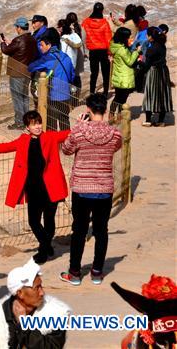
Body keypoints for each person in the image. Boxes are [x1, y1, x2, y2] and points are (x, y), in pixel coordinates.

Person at [0, 110, 69, 264]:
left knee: (49, 220)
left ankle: (43, 252)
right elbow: (6, 147)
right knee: (34, 221)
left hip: (51, 187)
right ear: (27, 127)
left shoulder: (49, 136)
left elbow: (68, 134)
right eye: (34, 124)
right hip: (33, 188)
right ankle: (47, 245)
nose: (38, 127)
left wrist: (84, 125)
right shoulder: (23, 140)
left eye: (39, 123)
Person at [60, 93, 123, 286]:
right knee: (101, 230)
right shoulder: (115, 134)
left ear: (88, 109)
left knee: (79, 231)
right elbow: (115, 148)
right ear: (105, 110)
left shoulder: (79, 132)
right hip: (104, 187)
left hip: (82, 187)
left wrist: (79, 127)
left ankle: (75, 272)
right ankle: (97, 272)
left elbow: (66, 149)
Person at [0, 259, 69, 349]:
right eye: (37, 288)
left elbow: (53, 346)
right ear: (20, 293)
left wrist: (24, 325)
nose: (42, 292)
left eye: (41, 286)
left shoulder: (55, 313)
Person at [28, 31, 75, 130]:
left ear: (49, 45)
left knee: (51, 123)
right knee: (64, 121)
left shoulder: (47, 58)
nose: (40, 48)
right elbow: (72, 76)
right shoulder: (66, 57)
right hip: (66, 95)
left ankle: (53, 144)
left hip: (52, 96)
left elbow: (31, 67)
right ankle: (65, 143)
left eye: (42, 45)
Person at [0, 16, 38, 130]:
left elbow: (6, 50)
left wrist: (2, 43)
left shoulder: (19, 40)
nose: (16, 29)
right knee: (24, 97)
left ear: (19, 28)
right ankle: (26, 121)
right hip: (28, 72)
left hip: (17, 72)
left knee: (17, 98)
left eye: (16, 27)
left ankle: (19, 123)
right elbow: (20, 49)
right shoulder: (32, 39)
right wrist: (10, 43)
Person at [140, 27, 173, 127]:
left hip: (153, 71)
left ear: (151, 37)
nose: (146, 36)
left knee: (150, 94)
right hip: (163, 71)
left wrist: (139, 63)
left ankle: (148, 120)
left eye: (147, 35)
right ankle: (161, 121)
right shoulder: (162, 46)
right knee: (162, 95)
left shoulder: (151, 49)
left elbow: (147, 65)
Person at [83, 2, 114, 97]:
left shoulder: (86, 21)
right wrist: (110, 52)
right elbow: (109, 39)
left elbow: (84, 35)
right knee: (105, 73)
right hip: (103, 51)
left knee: (94, 73)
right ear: (101, 10)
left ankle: (92, 92)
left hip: (92, 51)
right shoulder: (104, 22)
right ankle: (105, 93)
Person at [110, 26, 139, 120]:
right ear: (123, 38)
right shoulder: (122, 49)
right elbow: (130, 62)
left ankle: (111, 115)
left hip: (118, 75)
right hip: (124, 77)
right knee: (122, 99)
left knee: (117, 98)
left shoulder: (114, 45)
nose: (130, 38)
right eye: (128, 37)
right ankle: (119, 117)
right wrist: (136, 52)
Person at [58, 18, 83, 92]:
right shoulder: (75, 35)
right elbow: (79, 44)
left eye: (59, 27)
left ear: (62, 28)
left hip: (64, 65)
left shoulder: (63, 39)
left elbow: (61, 52)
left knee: (65, 86)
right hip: (73, 64)